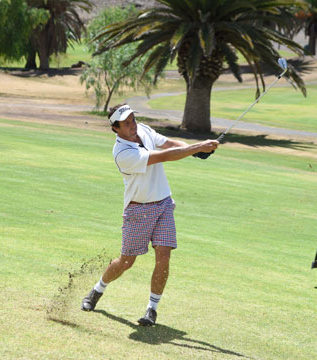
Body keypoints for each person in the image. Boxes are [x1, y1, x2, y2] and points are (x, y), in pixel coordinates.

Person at [80, 103, 219, 326]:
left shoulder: (142, 129)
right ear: (116, 128)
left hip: (163, 203)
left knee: (164, 255)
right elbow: (162, 156)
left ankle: (151, 309)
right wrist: (196, 147)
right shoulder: (122, 153)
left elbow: (168, 143)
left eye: (133, 119)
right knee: (126, 262)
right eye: (126, 123)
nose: (132, 125)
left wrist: (195, 151)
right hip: (138, 210)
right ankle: (97, 289)